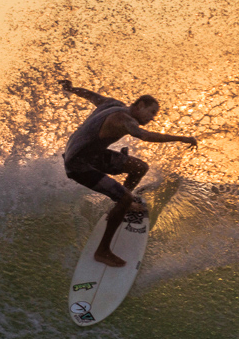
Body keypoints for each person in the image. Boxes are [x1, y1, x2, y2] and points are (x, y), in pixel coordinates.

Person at [59, 80, 197, 267]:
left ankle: (122, 203)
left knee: (139, 167)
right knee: (125, 198)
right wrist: (181, 138)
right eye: (151, 112)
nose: (152, 118)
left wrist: (71, 89)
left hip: (90, 155)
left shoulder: (112, 104)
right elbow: (144, 135)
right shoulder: (124, 120)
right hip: (78, 164)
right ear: (140, 105)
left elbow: (91, 96)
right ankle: (103, 251)